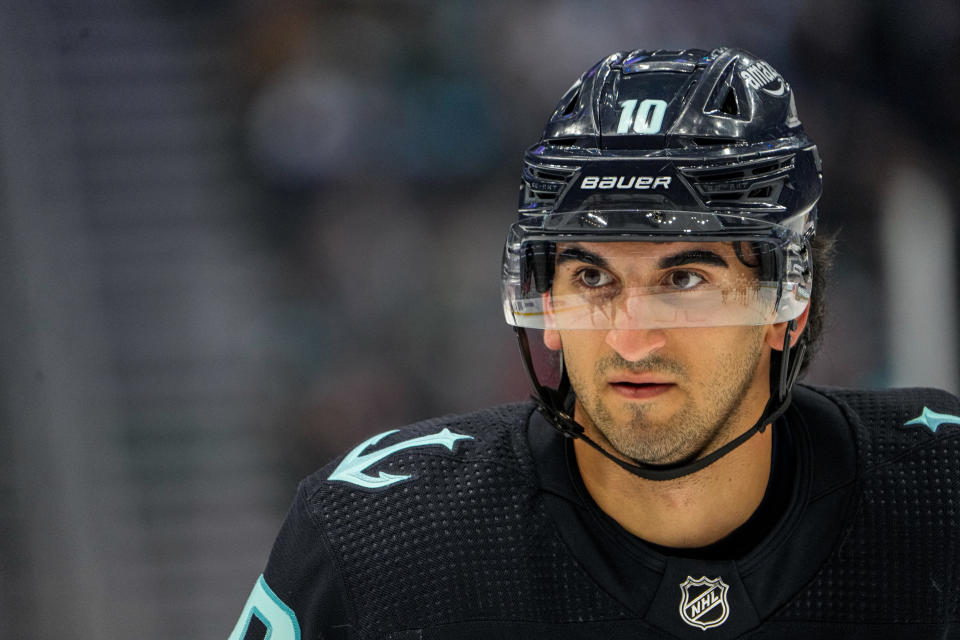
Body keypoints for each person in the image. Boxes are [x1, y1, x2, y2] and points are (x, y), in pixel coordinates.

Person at [229, 47, 960, 640]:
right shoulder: (377, 540)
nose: (631, 338)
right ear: (544, 300)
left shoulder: (943, 496)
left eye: (686, 278)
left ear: (788, 306)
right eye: (591, 276)